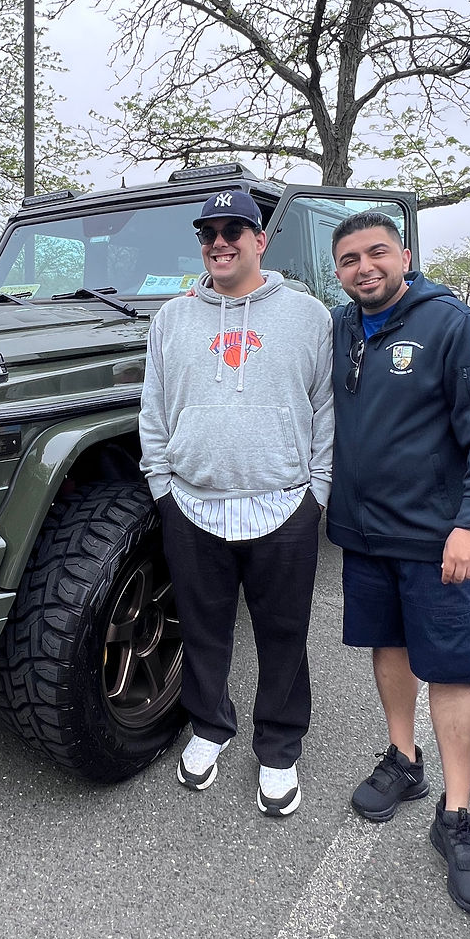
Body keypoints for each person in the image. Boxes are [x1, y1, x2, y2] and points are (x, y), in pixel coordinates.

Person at [327, 211, 470, 915]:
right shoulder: (345, 325)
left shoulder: (451, 326)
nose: (364, 266)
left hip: (437, 541)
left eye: (377, 251)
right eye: (349, 258)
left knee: (452, 666)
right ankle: (404, 761)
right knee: (390, 646)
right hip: (365, 535)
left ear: (404, 253)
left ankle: (458, 816)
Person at [139, 189, 334, 818]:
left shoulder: (308, 316)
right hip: (193, 504)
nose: (219, 242)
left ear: (260, 240)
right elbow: (153, 409)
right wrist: (162, 486)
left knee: (284, 633)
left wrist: (317, 490)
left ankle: (278, 747)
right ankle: (208, 727)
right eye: (208, 233)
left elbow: (326, 409)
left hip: (283, 505)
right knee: (203, 629)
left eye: (233, 230)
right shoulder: (171, 318)